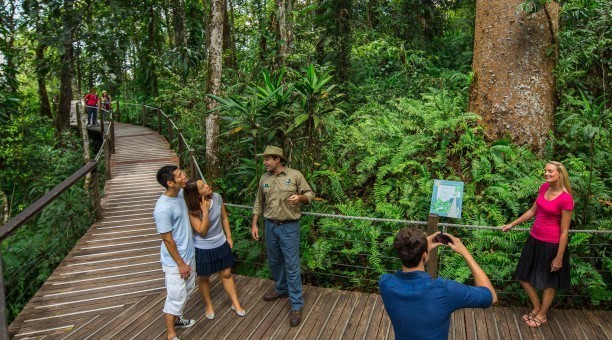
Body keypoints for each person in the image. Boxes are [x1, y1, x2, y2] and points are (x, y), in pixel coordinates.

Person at [379, 228, 497, 340]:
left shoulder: (385, 283)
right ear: (425, 255)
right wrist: (465, 253)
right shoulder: (444, 290)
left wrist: (421, 250)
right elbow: (491, 296)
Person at [501, 161, 574, 328]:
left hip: (551, 245)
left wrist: (559, 257)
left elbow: (564, 231)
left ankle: (542, 315)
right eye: (545, 171)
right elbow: (533, 211)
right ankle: (537, 307)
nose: (546, 174)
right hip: (534, 239)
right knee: (522, 275)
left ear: (560, 174)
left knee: (549, 282)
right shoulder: (544, 188)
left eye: (550, 171)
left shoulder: (566, 199)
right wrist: (512, 224)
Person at [251, 145, 315, 327]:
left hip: (289, 227)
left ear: (277, 159)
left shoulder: (294, 175)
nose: (265, 163)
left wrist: (300, 198)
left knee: (292, 265)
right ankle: (281, 289)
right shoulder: (264, 178)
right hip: (270, 226)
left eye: (267, 159)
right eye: (264, 160)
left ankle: (296, 304)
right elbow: (258, 203)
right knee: (274, 261)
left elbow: (310, 194)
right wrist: (255, 224)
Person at [183, 179, 246, 319]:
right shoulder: (192, 210)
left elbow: (224, 218)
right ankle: (208, 305)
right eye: (202, 187)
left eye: (204, 183)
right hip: (203, 248)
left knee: (227, 274)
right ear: (196, 194)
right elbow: (202, 231)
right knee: (204, 277)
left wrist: (229, 237)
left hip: (221, 243)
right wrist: (205, 211)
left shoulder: (217, 198)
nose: (207, 186)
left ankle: (235, 303)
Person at [153, 166, 196, 340]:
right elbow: (167, 239)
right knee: (175, 297)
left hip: (188, 254)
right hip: (175, 262)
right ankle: (171, 335)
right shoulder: (162, 209)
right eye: (179, 176)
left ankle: (178, 319)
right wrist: (180, 264)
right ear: (170, 183)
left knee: (187, 290)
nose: (184, 176)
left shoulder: (178, 194)